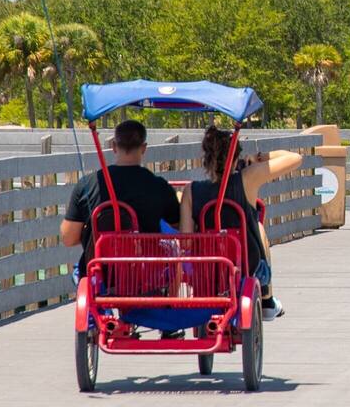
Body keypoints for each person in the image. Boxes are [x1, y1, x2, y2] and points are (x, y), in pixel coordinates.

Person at [180, 126, 305, 320]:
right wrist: (259, 157)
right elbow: (295, 158)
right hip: (247, 264)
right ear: (236, 156)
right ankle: (266, 299)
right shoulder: (248, 178)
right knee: (259, 229)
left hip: (208, 268)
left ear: (206, 158)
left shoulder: (191, 191)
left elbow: (186, 241)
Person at [61, 120, 183, 270]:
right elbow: (178, 226)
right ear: (144, 148)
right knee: (173, 261)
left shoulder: (88, 184)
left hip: (99, 272)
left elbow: (68, 238)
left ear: (114, 146)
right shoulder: (159, 186)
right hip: (145, 274)